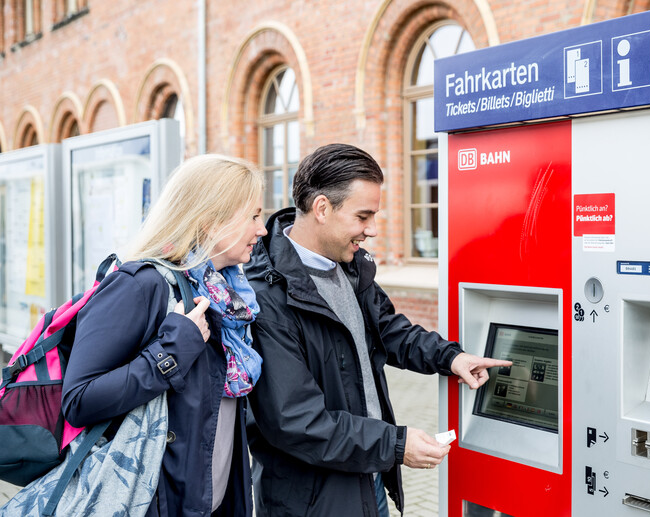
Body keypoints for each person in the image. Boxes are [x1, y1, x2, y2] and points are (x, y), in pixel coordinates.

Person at [244, 143, 512, 516]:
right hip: (311, 499)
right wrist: (396, 445)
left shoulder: (350, 265)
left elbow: (389, 329)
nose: (371, 230)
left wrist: (451, 358)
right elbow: (296, 421)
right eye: (363, 216)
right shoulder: (266, 298)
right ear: (322, 208)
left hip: (365, 475)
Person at [61, 154, 267, 516]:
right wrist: (174, 348)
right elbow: (79, 401)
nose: (261, 229)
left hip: (211, 501)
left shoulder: (232, 299)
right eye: (253, 216)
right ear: (210, 220)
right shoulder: (141, 285)